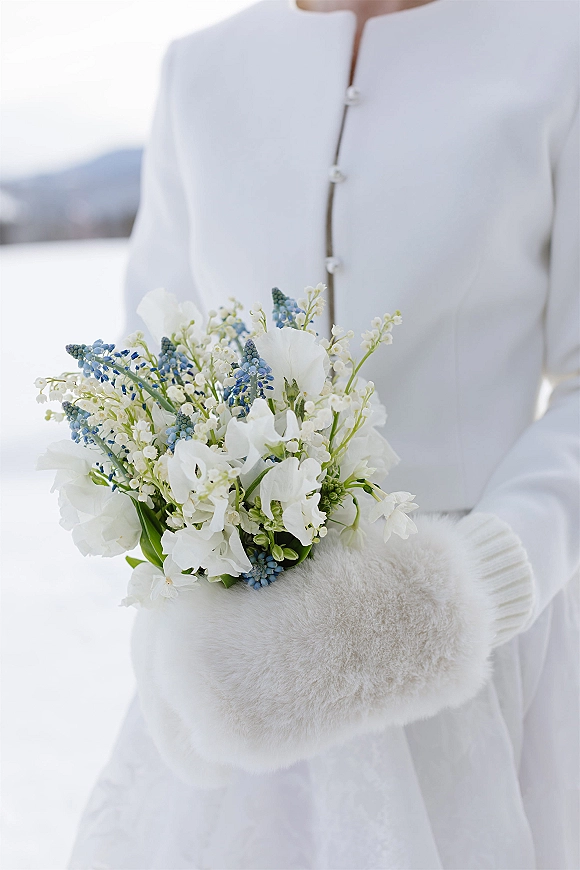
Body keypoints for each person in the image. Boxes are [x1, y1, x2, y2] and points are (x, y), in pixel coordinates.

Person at [69, 1, 579, 867]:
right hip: (236, 688)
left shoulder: (558, 43)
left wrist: (477, 585)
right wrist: (177, 605)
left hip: (479, 666)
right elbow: (147, 378)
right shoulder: (199, 70)